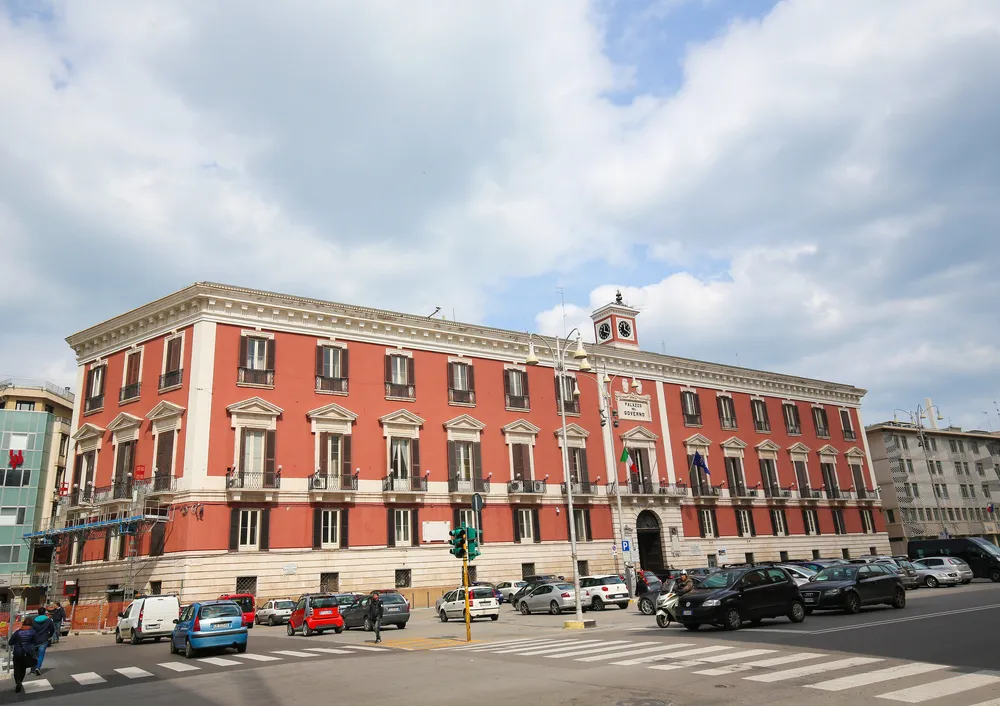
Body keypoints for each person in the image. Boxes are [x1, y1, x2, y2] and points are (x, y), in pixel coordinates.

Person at [8, 617, 38, 693]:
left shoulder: (17, 632)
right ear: (31, 624)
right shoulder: (33, 632)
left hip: (17, 653)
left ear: (23, 623)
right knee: (23, 668)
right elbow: (35, 642)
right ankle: (20, 680)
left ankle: (17, 681)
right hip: (27, 653)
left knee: (17, 668)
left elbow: (10, 642)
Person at [31, 607, 55, 675]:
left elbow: (31, 629)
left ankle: (33, 668)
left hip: (34, 639)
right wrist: (50, 636)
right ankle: (37, 667)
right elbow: (52, 629)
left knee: (34, 655)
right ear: (45, 612)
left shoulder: (33, 620)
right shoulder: (49, 620)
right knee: (41, 654)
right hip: (44, 639)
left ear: (38, 612)